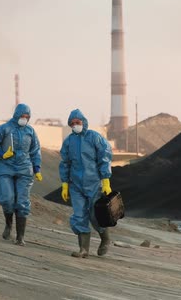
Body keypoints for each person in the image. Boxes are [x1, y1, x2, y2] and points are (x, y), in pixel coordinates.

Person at [0, 103, 42, 246]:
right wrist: (2, 154)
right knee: (7, 198)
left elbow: (35, 150)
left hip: (24, 169)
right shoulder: (4, 129)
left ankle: (20, 237)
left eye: (27, 117)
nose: (24, 118)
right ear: (16, 115)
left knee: (22, 202)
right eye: (22, 116)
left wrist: (37, 168)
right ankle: (8, 225)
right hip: (5, 168)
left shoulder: (30, 131)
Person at [59, 109, 113, 258]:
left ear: (84, 122)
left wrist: (106, 180)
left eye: (78, 122)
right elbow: (65, 163)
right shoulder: (69, 141)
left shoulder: (94, 137)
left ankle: (105, 239)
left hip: (94, 183)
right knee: (79, 216)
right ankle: (84, 250)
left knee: (95, 215)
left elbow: (105, 157)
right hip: (76, 185)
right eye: (72, 123)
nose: (75, 125)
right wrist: (65, 184)